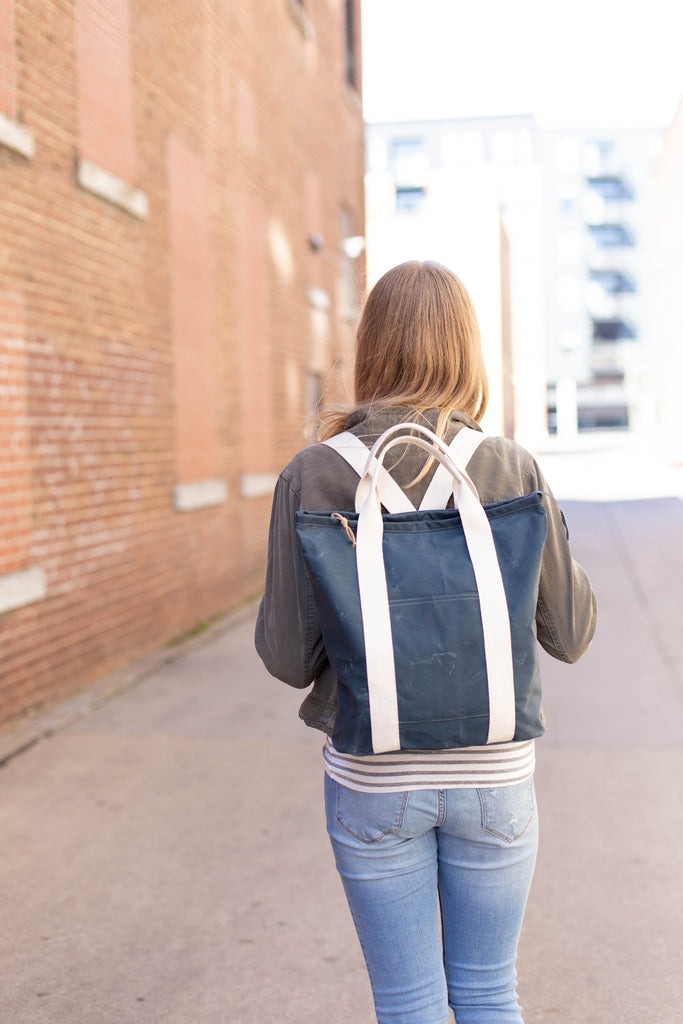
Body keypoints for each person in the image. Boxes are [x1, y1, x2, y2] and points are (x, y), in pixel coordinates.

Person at [255, 260, 597, 1024]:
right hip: (494, 772)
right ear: (466, 351)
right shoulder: (512, 468)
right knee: (487, 994)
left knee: (406, 1004)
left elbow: (285, 656)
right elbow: (568, 634)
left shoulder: (312, 475)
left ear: (369, 347)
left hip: (373, 777)